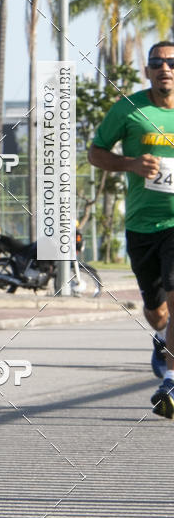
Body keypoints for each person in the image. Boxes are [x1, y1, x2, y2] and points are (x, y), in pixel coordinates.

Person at [89, 41, 174, 419]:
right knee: (157, 310)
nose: (165, 68)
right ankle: (161, 337)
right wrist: (131, 164)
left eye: (171, 62)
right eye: (157, 62)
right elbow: (95, 152)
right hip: (142, 225)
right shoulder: (130, 108)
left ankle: (171, 380)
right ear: (147, 71)